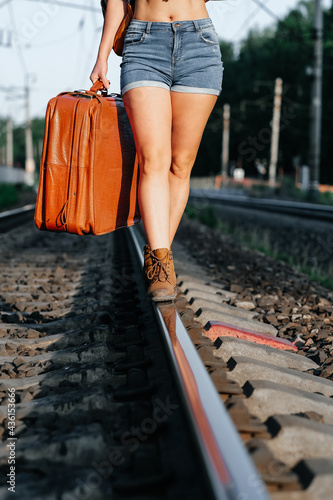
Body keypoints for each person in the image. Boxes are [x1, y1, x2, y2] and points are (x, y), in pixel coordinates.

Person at [90, 0, 223, 302]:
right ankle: (162, 266)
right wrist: (102, 56)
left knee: (181, 164)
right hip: (144, 44)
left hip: (199, 44)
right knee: (153, 160)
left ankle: (157, 254)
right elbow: (117, 2)